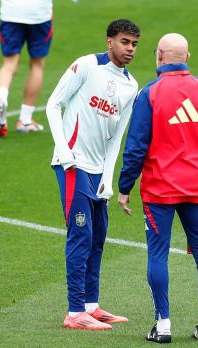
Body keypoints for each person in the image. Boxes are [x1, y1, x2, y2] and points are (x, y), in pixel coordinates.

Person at [117, 33, 198, 343]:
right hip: (196, 190)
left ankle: (163, 324)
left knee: (158, 254)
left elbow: (136, 147)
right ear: (187, 58)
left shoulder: (150, 94)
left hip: (159, 192)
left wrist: (125, 186)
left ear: (159, 56)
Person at [46, 19, 140, 330]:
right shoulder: (86, 65)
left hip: (97, 171)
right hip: (73, 165)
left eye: (134, 44)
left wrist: (107, 176)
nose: (130, 49)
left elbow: (117, 138)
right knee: (81, 235)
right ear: (109, 40)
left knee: (98, 237)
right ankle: (74, 313)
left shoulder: (131, 86)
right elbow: (53, 105)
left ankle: (90, 305)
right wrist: (65, 152)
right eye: (125, 42)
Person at [0, 0, 53, 137]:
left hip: (10, 13)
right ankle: (25, 120)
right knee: (37, 65)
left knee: (9, 64)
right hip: (39, 14)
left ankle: (1, 98)